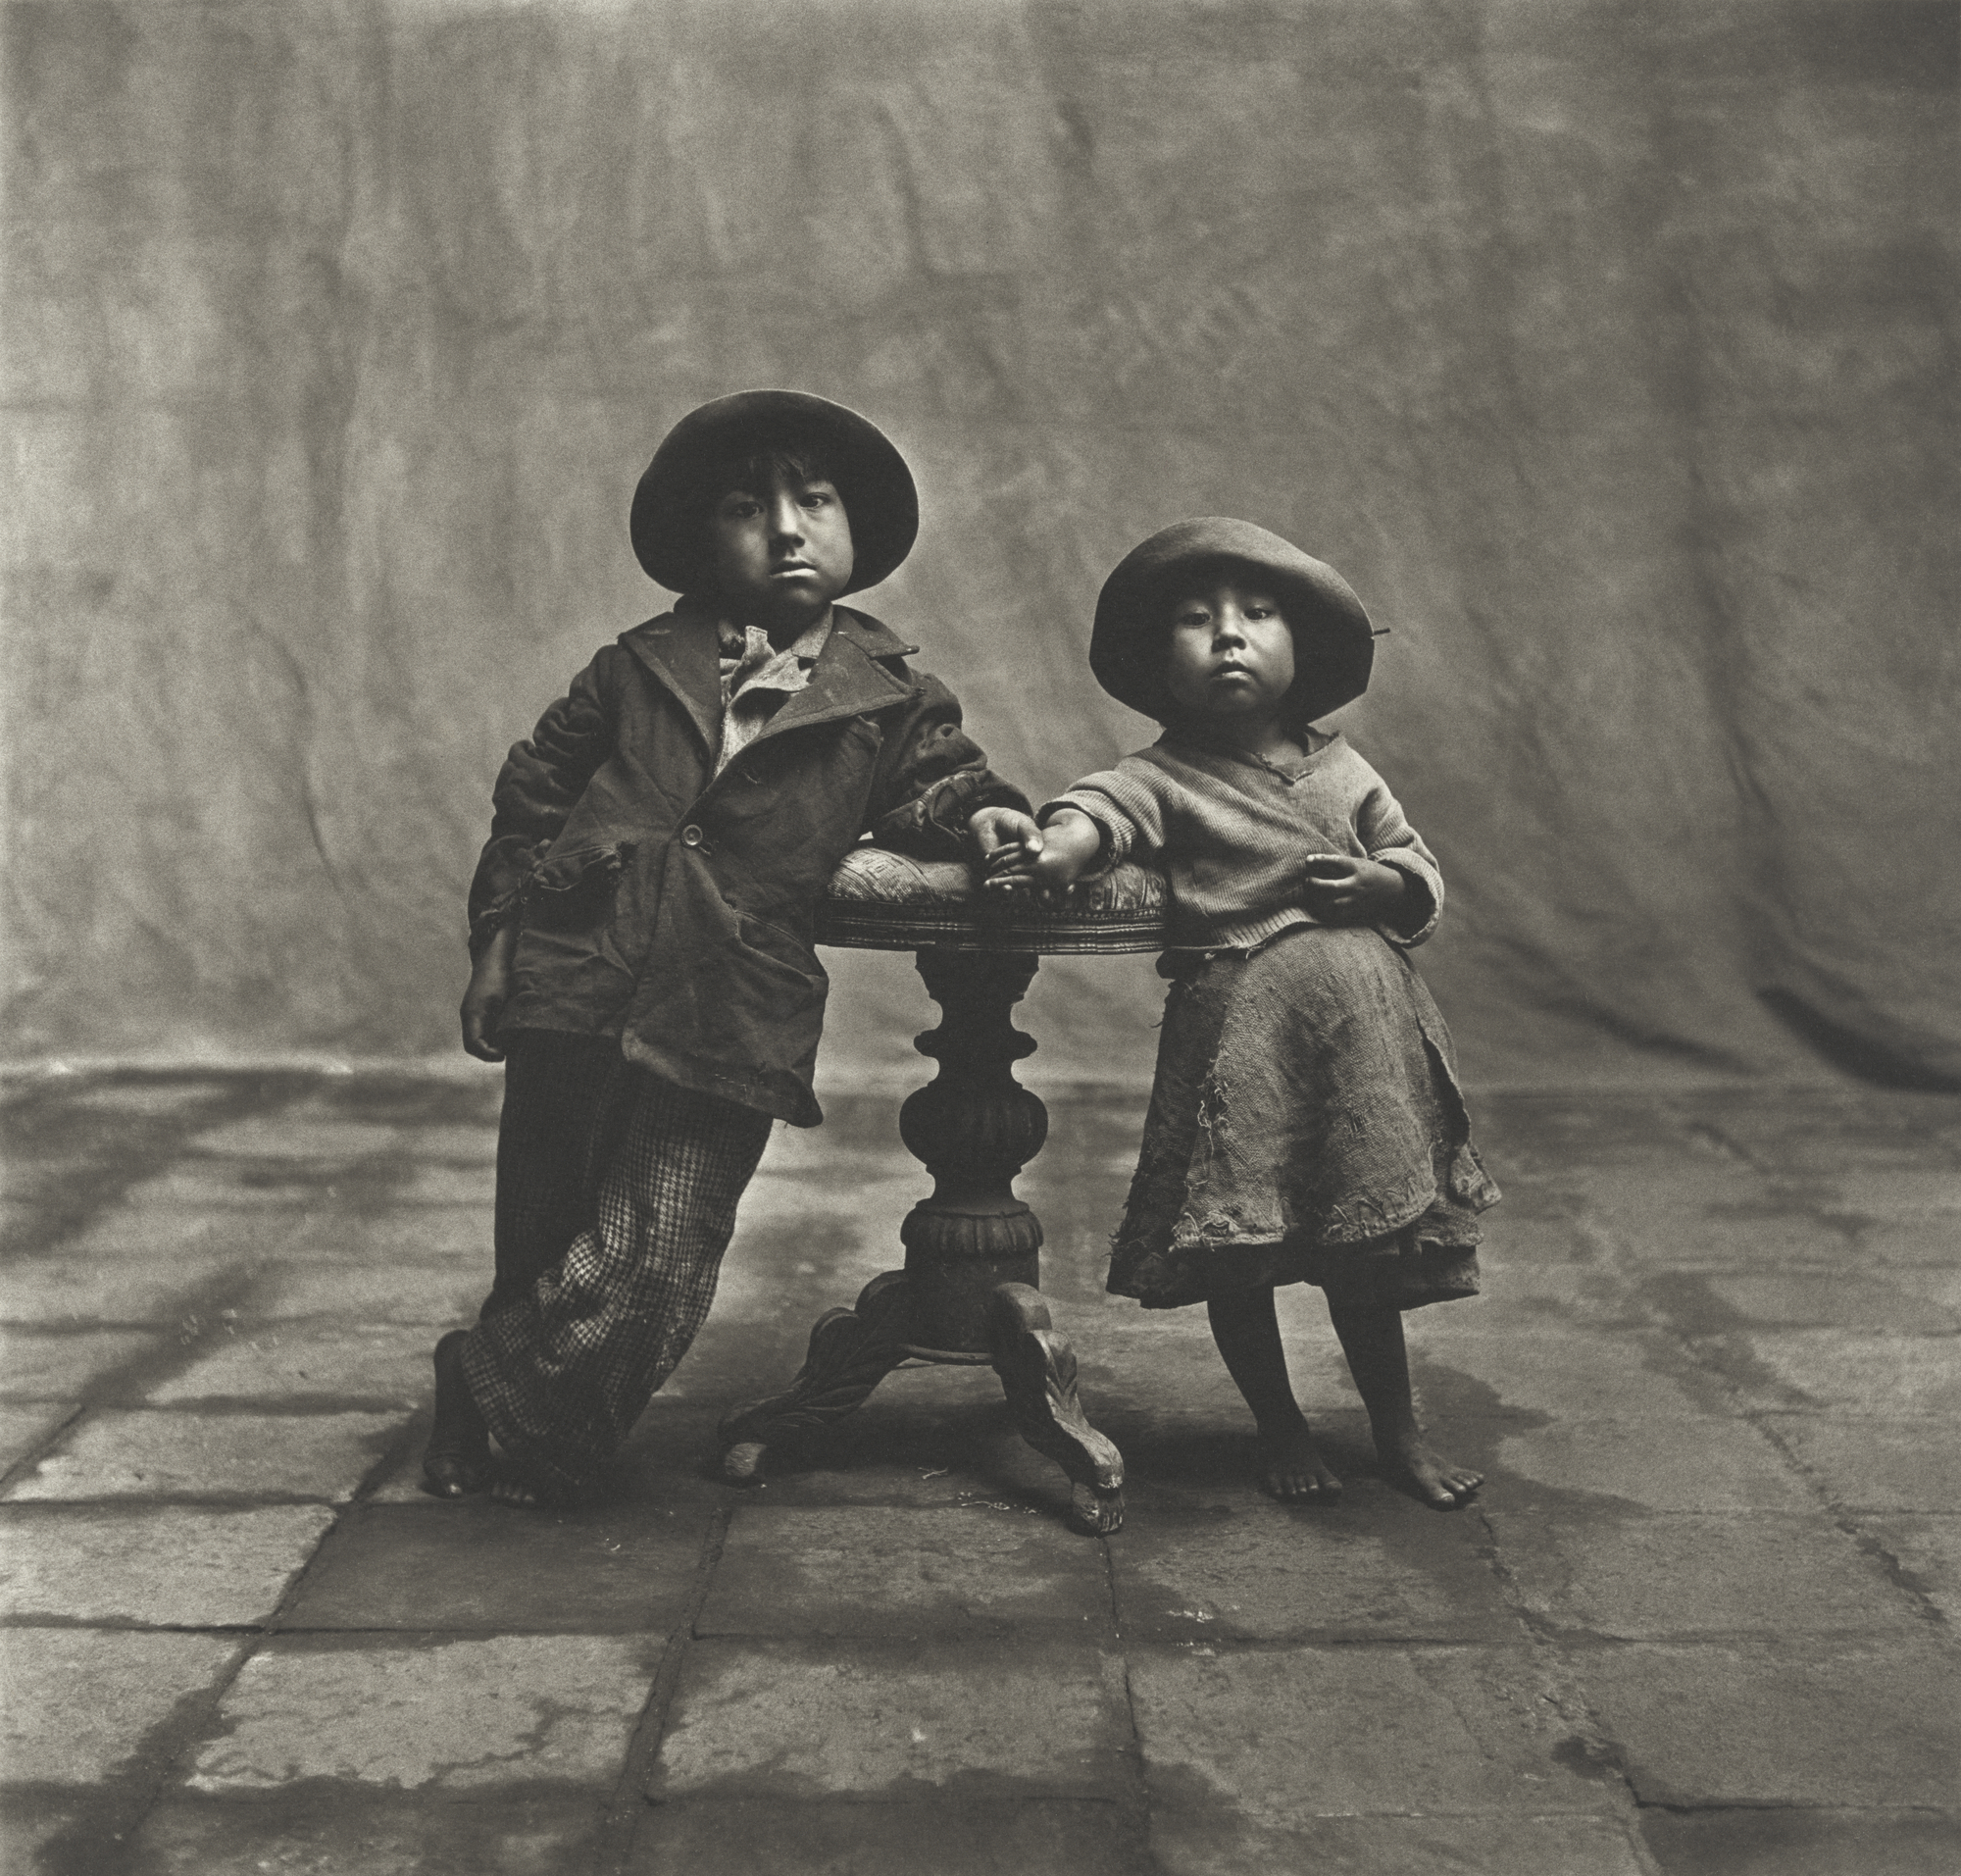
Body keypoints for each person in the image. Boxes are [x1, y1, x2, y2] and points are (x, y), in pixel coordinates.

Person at [423, 389, 1028, 1506]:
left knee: (660, 1243)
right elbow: (532, 802)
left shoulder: (889, 693)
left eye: (814, 501)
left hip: (728, 994)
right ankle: (513, 1415)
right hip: (579, 964)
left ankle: (484, 1381)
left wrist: (984, 816)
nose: (786, 528)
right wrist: (498, 942)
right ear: (702, 540)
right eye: (748, 507)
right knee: (548, 1220)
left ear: (854, 529)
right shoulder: (633, 665)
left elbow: (940, 781)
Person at [977, 518, 1499, 1508]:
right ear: (1153, 657)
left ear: (1300, 650)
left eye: (1255, 615)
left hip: (1361, 1051)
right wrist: (1060, 845)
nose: (1227, 635)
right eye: (1195, 619)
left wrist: (1383, 886)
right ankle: (1281, 1426)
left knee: (1366, 1246)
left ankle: (1396, 1430)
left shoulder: (1344, 771)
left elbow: (1417, 865)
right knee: (1239, 1248)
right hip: (1238, 1047)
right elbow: (1098, 807)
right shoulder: (1164, 775)